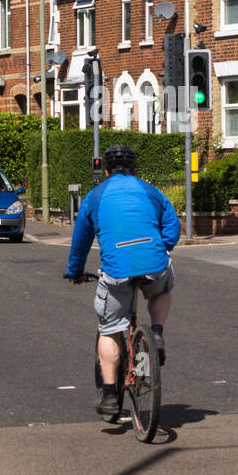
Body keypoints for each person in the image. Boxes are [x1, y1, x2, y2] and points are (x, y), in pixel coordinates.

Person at [66, 143, 181, 419]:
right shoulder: (150, 191)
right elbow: (173, 226)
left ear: (105, 171)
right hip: (153, 261)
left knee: (108, 328)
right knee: (162, 285)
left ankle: (108, 395)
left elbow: (80, 240)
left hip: (117, 270)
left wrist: (75, 270)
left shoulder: (95, 196)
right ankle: (156, 331)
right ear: (135, 169)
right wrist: (158, 249)